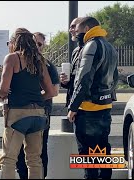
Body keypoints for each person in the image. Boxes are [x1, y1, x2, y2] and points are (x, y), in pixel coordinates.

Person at [0, 27, 56, 179]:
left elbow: (3, 90)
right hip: (38, 115)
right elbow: (51, 92)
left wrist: (4, 96)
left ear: (15, 42)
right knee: (34, 159)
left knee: (8, 159)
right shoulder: (40, 61)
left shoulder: (12, 58)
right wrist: (35, 99)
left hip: (18, 114)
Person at [67, 16, 118, 179]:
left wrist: (73, 107)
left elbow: (84, 79)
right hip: (105, 108)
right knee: (102, 151)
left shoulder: (91, 45)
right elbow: (114, 78)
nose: (76, 32)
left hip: (88, 109)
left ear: (87, 29)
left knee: (87, 156)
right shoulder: (110, 47)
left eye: (79, 29)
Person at [15, 32, 60, 179]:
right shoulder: (19, 61)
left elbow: (54, 91)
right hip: (21, 113)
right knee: (20, 150)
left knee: (39, 151)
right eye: (33, 43)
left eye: (39, 44)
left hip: (41, 113)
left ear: (43, 46)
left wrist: (33, 100)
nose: (36, 47)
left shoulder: (46, 65)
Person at [60, 17, 84, 107]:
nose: (70, 30)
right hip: (74, 103)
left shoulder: (93, 47)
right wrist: (65, 82)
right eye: (70, 27)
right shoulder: (76, 51)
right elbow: (76, 80)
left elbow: (86, 79)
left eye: (73, 26)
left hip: (86, 105)